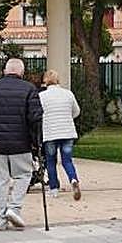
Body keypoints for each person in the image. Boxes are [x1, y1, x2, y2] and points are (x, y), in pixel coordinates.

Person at [0, 58, 43, 229]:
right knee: (24, 175)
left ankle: (0, 219)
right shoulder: (29, 89)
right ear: (22, 72)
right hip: (21, 143)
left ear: (5, 71)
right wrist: (36, 142)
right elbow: (36, 119)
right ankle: (14, 208)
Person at [39, 70, 81, 200]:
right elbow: (76, 111)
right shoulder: (68, 94)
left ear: (45, 80)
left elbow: (38, 114)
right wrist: (68, 117)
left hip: (50, 132)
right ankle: (73, 179)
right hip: (67, 131)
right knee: (67, 160)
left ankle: (54, 189)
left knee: (51, 161)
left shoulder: (42, 96)